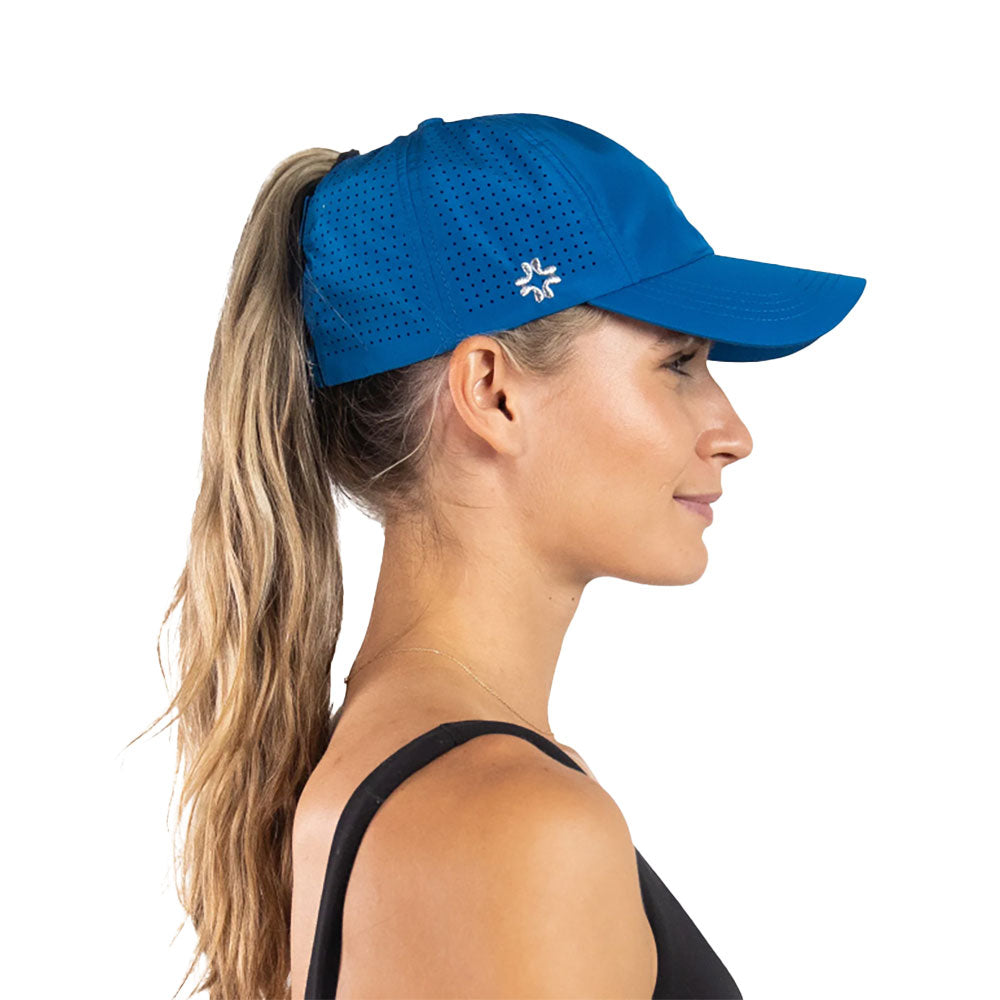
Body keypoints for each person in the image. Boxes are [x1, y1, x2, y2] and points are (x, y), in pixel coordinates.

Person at [149, 113, 866, 999]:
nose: (733, 432)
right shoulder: (517, 823)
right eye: (679, 362)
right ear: (492, 392)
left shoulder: (395, 776)